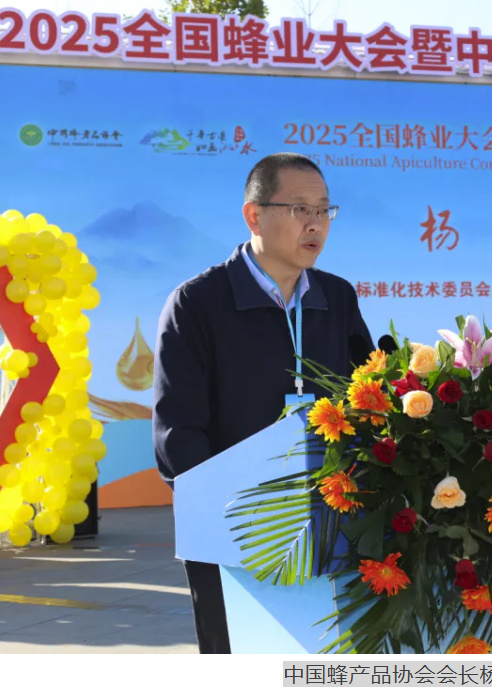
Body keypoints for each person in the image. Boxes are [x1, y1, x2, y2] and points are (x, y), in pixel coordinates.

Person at [152, 152, 373, 654]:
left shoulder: (336, 298)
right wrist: (226, 508)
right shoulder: (198, 303)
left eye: (324, 210)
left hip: (330, 524)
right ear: (254, 216)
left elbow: (368, 397)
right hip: (238, 529)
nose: (315, 224)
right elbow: (177, 432)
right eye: (299, 209)